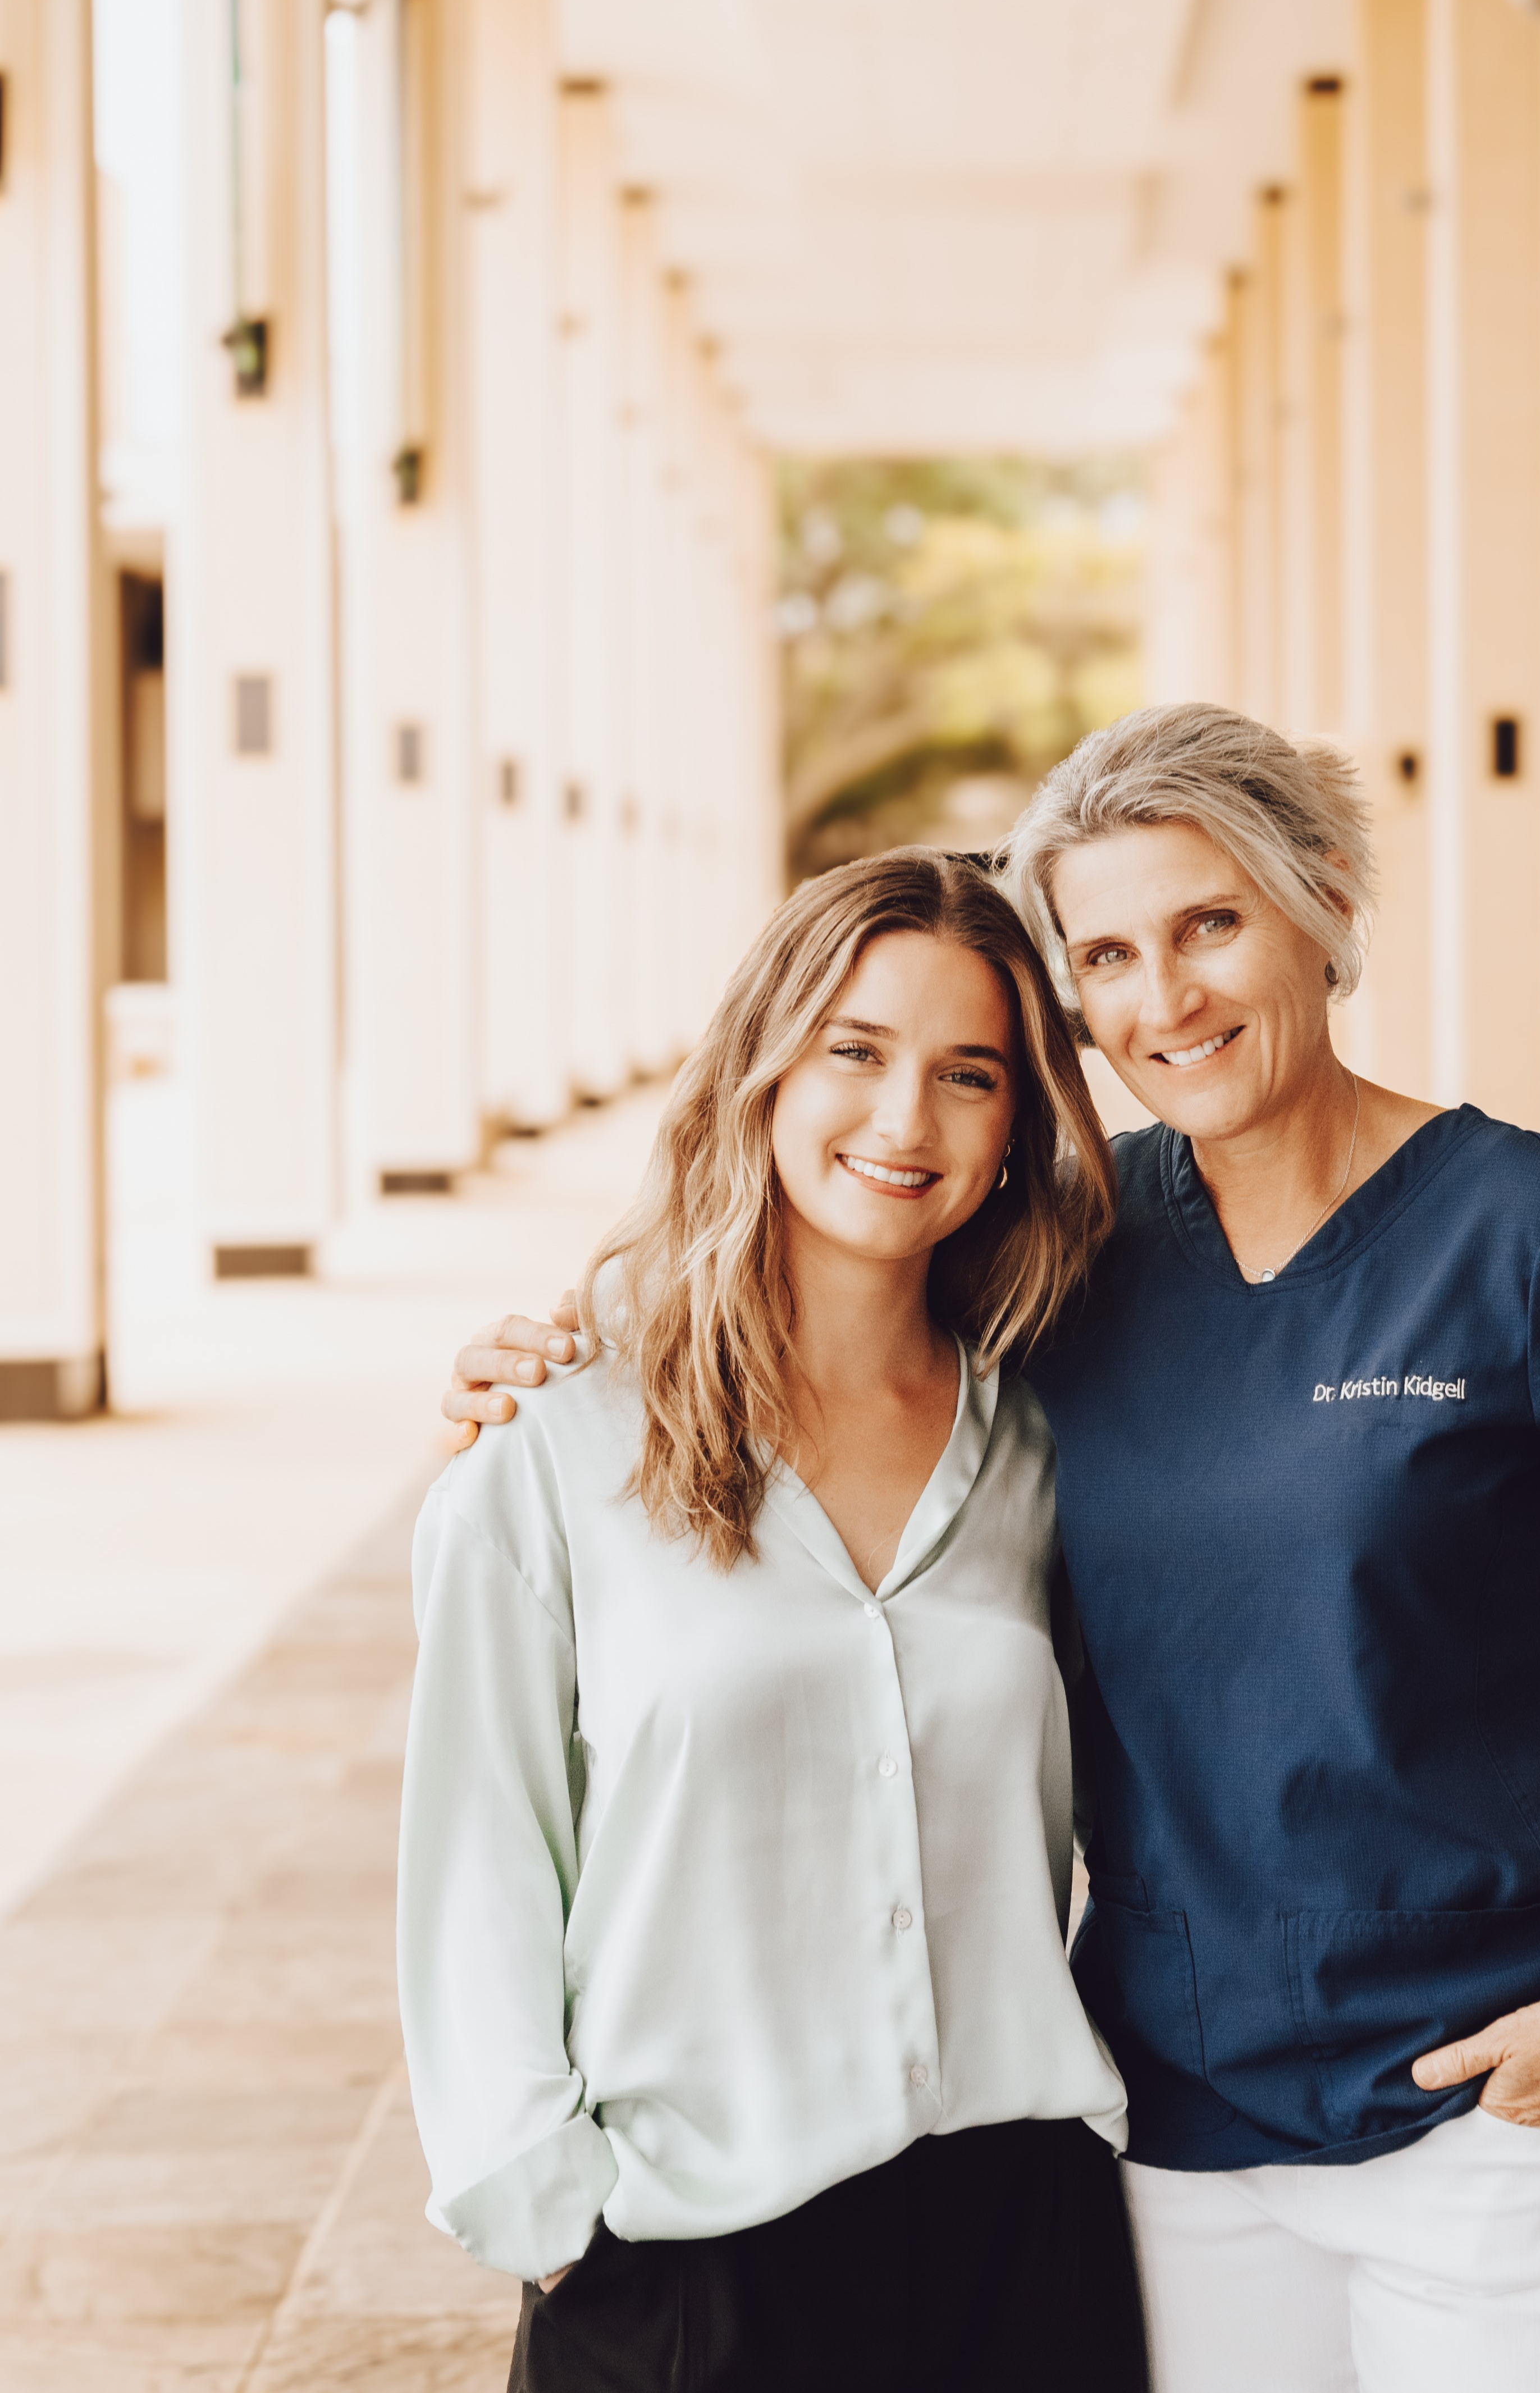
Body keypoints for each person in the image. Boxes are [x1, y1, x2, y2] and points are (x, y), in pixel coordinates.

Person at [447, 705, 1540, 2393]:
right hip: (1178, 2123)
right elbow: (826, 1271)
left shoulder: (1535, 1233)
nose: (1165, 998)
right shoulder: (1074, 1260)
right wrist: (567, 1348)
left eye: (1211, 924)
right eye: (1106, 953)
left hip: (1495, 2103)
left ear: (1321, 901)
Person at [403, 850, 1147, 2393]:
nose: (904, 1121)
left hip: (1020, 2239)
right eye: (855, 1052)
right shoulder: (560, 1437)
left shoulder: (1045, 1439)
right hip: (691, 2263)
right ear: (762, 1065)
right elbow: (481, 1852)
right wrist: (551, 2209)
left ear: (1019, 1127)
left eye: (969, 1074)